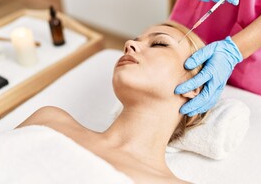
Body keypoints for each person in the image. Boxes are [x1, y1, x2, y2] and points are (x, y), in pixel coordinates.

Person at [17, 21, 207, 184]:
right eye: (134, 40)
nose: (129, 44)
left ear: (193, 87)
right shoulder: (49, 120)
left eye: (159, 43)